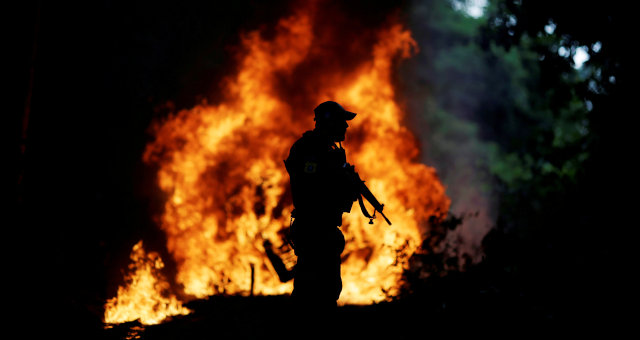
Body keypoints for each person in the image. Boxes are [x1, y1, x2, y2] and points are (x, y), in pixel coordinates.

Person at [284, 101, 360, 323]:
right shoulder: (309, 150)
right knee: (311, 292)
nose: (345, 127)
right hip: (314, 229)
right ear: (329, 122)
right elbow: (312, 188)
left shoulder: (329, 150)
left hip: (323, 229)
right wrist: (344, 185)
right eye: (341, 122)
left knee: (327, 291)